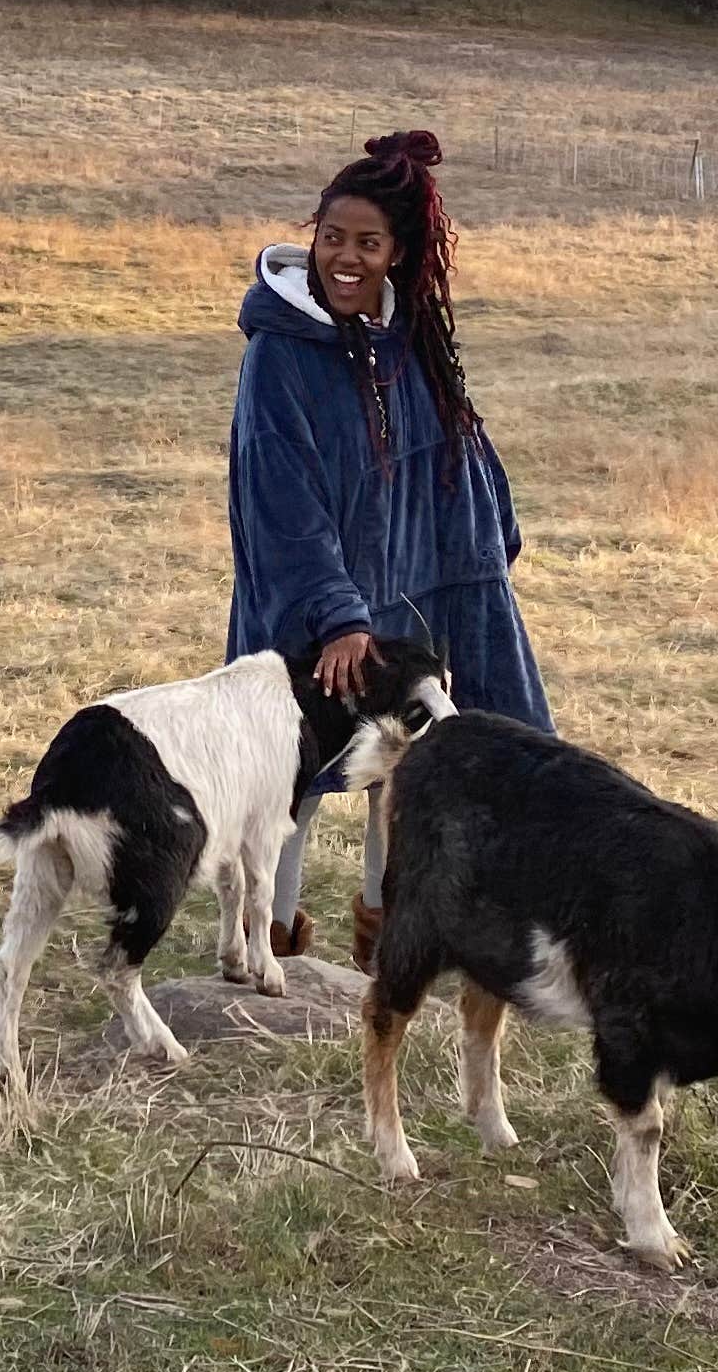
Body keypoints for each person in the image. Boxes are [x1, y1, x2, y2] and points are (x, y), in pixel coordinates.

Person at [230, 128, 549, 963]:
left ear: (396, 254)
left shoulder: (415, 348)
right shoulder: (277, 358)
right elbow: (280, 499)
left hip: (417, 594)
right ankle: (272, 943)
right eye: (332, 238)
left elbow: (463, 453)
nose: (345, 258)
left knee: (403, 769)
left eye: (367, 243)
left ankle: (380, 940)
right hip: (315, 603)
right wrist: (335, 615)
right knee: (291, 774)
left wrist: (491, 548)